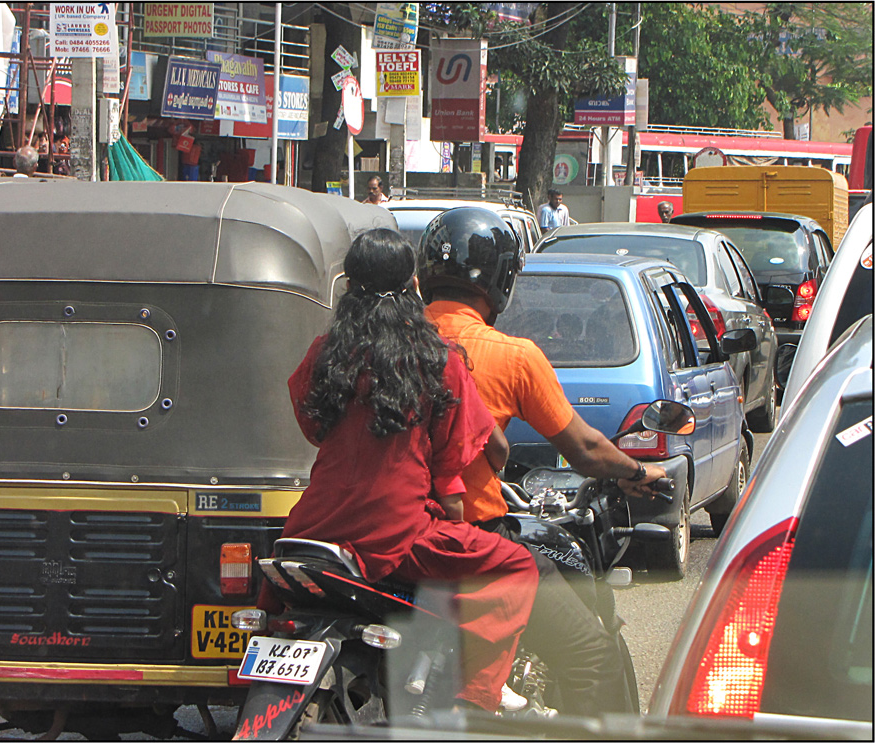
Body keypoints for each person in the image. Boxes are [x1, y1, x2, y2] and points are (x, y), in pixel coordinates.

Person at [418, 207, 668, 717]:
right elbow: (585, 449)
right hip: (471, 536)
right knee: (589, 653)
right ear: (500, 280)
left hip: (382, 533)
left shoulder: (384, 342)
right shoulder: (510, 356)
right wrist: (638, 472)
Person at [277, 228, 539, 713]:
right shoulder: (437, 361)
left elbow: (313, 427)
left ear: (349, 286)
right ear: (414, 285)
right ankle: (477, 697)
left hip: (311, 529)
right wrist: (455, 530)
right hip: (395, 536)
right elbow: (450, 475)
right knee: (516, 567)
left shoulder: (326, 353)